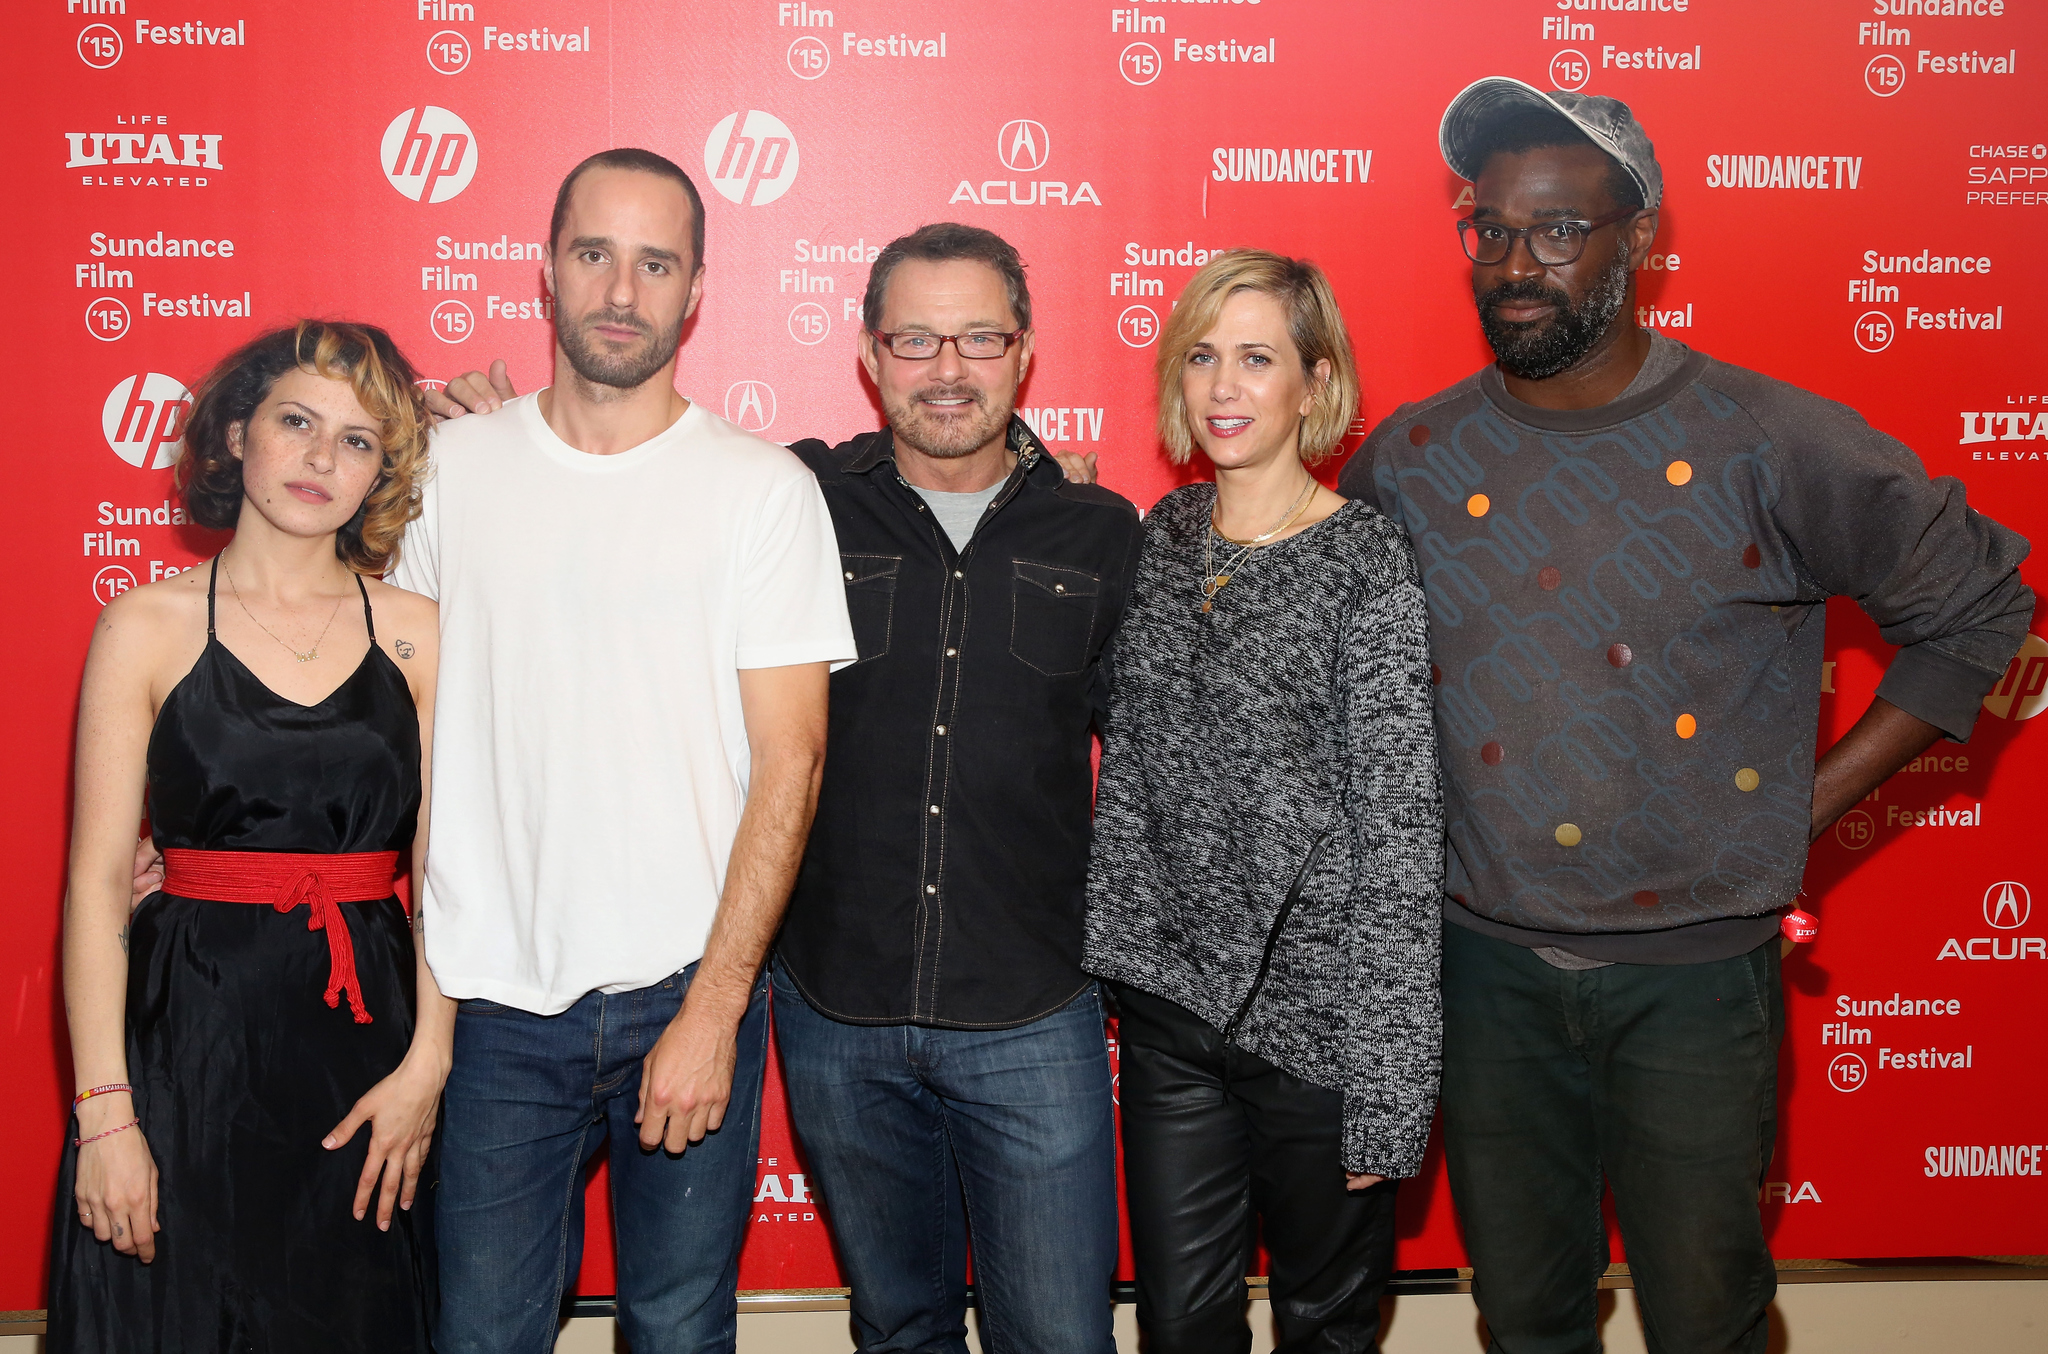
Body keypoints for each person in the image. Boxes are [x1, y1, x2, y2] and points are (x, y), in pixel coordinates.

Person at [1337, 79, 2035, 1353]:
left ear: (1639, 237)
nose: (1514, 263)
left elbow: (1982, 608)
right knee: (1525, 1317)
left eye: (1557, 231)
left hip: (1698, 985)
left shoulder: (1766, 438)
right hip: (1480, 972)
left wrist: (1793, 811)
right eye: (1487, 229)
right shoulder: (1407, 458)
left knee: (1707, 1320)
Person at [431, 222, 1141, 1354]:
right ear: (868, 354)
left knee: (1061, 1335)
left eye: (976, 337)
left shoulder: (1104, 533)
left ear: (1024, 351)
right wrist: (499, 436)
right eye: (914, 338)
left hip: (1032, 1011)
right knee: (898, 1326)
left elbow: (1161, 775)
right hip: (834, 1011)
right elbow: (636, 479)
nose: (946, 368)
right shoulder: (795, 494)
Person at [392, 147, 854, 1354]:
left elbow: (789, 765)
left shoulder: (761, 492)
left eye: (655, 263)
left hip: (682, 987)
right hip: (488, 997)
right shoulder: (444, 472)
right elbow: (382, 718)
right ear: (546, 269)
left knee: (677, 1328)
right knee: (481, 1333)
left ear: (695, 289)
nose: (619, 289)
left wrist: (713, 1007)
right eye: (594, 253)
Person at [53, 321, 450, 1353]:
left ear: (383, 472)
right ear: (237, 434)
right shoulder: (144, 625)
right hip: (187, 1046)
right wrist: (106, 1115)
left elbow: (450, 874)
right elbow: (98, 883)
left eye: (359, 440)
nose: (324, 458)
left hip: (368, 1054)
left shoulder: (419, 631)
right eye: (298, 422)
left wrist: (427, 1069)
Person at [1084, 250, 1444, 1352]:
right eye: (1200, 357)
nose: (1224, 386)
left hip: (1319, 1031)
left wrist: (1388, 1081)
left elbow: (1398, 827)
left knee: (1323, 1329)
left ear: (1313, 381)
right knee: (1180, 1329)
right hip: (1171, 1017)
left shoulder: (1365, 560)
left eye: (1255, 358)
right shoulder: (1159, 539)